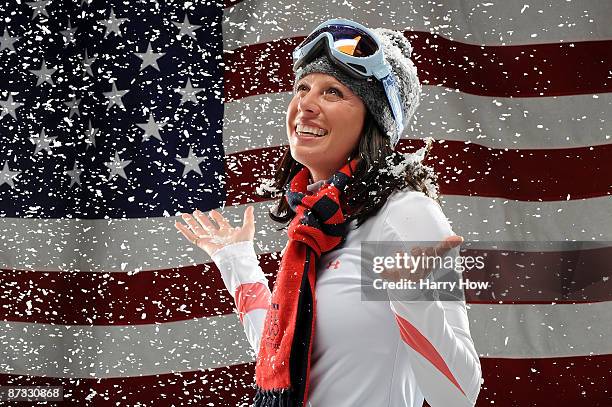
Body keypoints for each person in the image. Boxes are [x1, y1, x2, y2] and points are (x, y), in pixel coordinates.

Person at [175, 18, 482, 407]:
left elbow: (458, 395)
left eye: (333, 92)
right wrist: (235, 261)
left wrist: (413, 294)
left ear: (373, 120)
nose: (305, 104)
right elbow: (283, 350)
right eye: (302, 88)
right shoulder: (317, 228)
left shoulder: (405, 214)